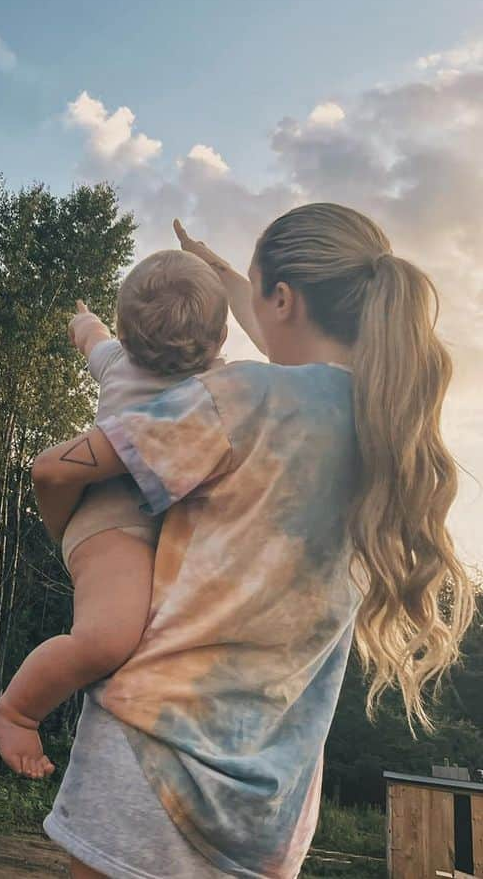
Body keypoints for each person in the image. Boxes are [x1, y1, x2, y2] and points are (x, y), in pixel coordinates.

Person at [36, 203, 472, 879]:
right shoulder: (392, 437)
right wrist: (216, 265)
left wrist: (79, 539)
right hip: (273, 812)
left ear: (284, 298)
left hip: (151, 765)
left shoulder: (240, 396)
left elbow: (55, 469)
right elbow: (278, 324)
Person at [0, 250, 228, 780]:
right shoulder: (215, 379)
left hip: (150, 519)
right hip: (112, 518)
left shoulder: (119, 357)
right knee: (107, 639)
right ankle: (16, 711)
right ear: (220, 340)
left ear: (125, 329)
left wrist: (81, 319)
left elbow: (89, 339)